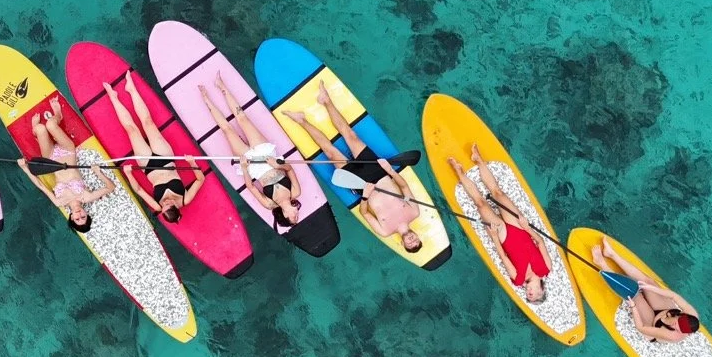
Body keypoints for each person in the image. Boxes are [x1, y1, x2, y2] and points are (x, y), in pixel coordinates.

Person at [282, 81, 423, 252]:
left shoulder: (385, 231)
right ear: (418, 236)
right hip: (379, 173)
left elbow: (365, 213)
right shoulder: (414, 212)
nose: (412, 240)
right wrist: (389, 170)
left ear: (403, 244)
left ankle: (301, 120)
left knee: (331, 152)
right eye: (416, 241)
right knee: (351, 136)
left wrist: (365, 197)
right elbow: (404, 186)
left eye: (410, 244)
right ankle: (326, 100)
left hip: (360, 185)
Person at [447, 144, 552, 303]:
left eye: (527, 295)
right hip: (520, 229)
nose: (528, 292)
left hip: (504, 237)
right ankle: (479, 160)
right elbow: (540, 241)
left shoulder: (518, 280)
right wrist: (526, 227)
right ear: (542, 289)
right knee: (498, 193)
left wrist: (494, 237)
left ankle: (458, 171)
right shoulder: (546, 269)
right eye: (533, 294)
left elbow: (503, 257)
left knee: (481, 203)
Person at [198, 75, 302, 229]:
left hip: (253, 166)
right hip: (266, 155)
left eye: (294, 217)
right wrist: (277, 165)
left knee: (227, 130)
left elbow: (251, 187)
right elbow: (290, 169)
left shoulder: (270, 204)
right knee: (243, 119)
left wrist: (245, 168)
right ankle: (222, 86)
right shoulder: (295, 192)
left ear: (286, 215)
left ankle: (206, 99)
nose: (297, 214)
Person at [104, 78, 204, 223]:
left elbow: (138, 190)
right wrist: (192, 163)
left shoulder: (157, 206)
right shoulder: (185, 199)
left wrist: (129, 174)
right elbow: (200, 179)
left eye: (163, 206)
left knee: (131, 130)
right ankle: (131, 90)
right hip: (166, 158)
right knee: (148, 123)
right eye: (167, 204)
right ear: (175, 206)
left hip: (148, 166)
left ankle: (113, 96)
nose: (164, 202)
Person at [17, 97, 116, 233]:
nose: (79, 214)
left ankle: (37, 133)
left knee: (40, 128)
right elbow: (110, 187)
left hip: (50, 158)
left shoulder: (60, 202)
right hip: (68, 151)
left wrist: (25, 168)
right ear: (86, 214)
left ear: (71, 218)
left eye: (77, 218)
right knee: (51, 124)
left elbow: (41, 186)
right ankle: (58, 114)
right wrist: (99, 173)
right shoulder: (86, 197)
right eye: (83, 217)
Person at [592, 237, 700, 343]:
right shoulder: (692, 314)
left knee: (635, 296)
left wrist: (633, 307)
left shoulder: (672, 335)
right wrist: (652, 288)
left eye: (678, 328)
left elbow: (641, 327)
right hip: (664, 310)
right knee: (648, 282)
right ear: (684, 315)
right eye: (678, 322)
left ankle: (601, 263)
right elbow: (674, 296)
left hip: (652, 324)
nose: (675, 325)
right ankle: (611, 254)